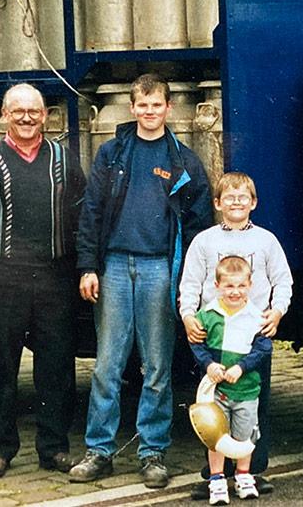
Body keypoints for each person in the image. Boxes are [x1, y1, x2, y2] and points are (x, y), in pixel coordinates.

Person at [70, 73, 213, 488]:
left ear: (168, 108)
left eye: (157, 105)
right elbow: (91, 212)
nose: (149, 112)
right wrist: (87, 266)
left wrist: (191, 280)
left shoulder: (184, 162)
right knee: (108, 366)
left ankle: (152, 452)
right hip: (114, 266)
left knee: (157, 366)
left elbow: (200, 224)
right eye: (142, 105)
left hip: (158, 270)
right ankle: (99, 450)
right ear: (132, 109)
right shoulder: (111, 154)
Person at [0, 83, 86, 479]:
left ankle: (54, 448)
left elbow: (84, 215)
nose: (27, 118)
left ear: (46, 116)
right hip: (4, 275)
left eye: (34, 111)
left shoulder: (63, 158)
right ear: (4, 116)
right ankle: (0, 448)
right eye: (18, 111)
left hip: (54, 275)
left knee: (57, 365)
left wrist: (89, 267)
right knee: (3, 362)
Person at [179, 172, 292, 498]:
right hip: (214, 335)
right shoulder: (205, 241)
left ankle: (251, 471)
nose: (236, 202)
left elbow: (282, 280)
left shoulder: (266, 241)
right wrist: (188, 316)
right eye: (229, 197)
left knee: (252, 406)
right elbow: (190, 283)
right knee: (213, 405)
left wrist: (277, 311)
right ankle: (214, 475)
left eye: (243, 197)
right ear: (217, 203)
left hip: (250, 334)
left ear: (253, 203)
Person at [189, 256, 273, 505]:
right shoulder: (208, 315)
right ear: (217, 285)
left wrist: (242, 367)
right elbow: (196, 342)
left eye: (240, 286)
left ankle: (243, 475)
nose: (235, 292)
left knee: (244, 436)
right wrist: (209, 364)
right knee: (217, 436)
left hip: (246, 390)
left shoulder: (257, 317)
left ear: (250, 285)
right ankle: (216, 478)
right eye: (228, 286)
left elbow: (263, 348)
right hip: (218, 392)